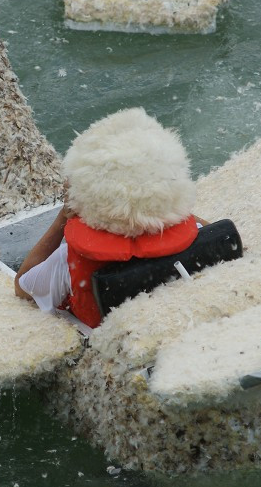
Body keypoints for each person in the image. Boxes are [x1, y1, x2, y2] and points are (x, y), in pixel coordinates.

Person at [14, 107, 208, 328]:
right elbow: (219, 231)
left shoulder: (67, 258)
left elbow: (23, 288)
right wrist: (170, 208)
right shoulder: (191, 234)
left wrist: (62, 219)